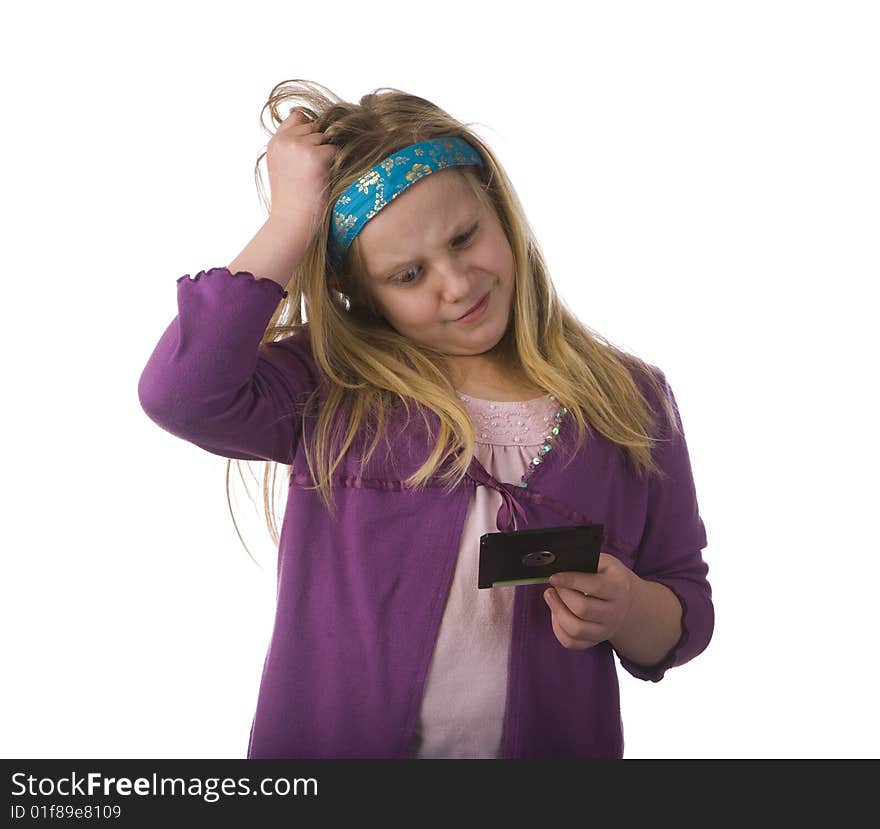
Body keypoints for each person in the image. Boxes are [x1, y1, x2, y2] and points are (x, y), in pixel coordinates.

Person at [138, 79, 713, 759]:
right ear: (362, 293)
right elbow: (182, 390)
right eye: (408, 275)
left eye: (466, 236)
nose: (457, 282)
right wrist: (290, 221)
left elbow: (685, 607)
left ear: (500, 209)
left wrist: (630, 610)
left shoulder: (629, 400)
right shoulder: (334, 388)